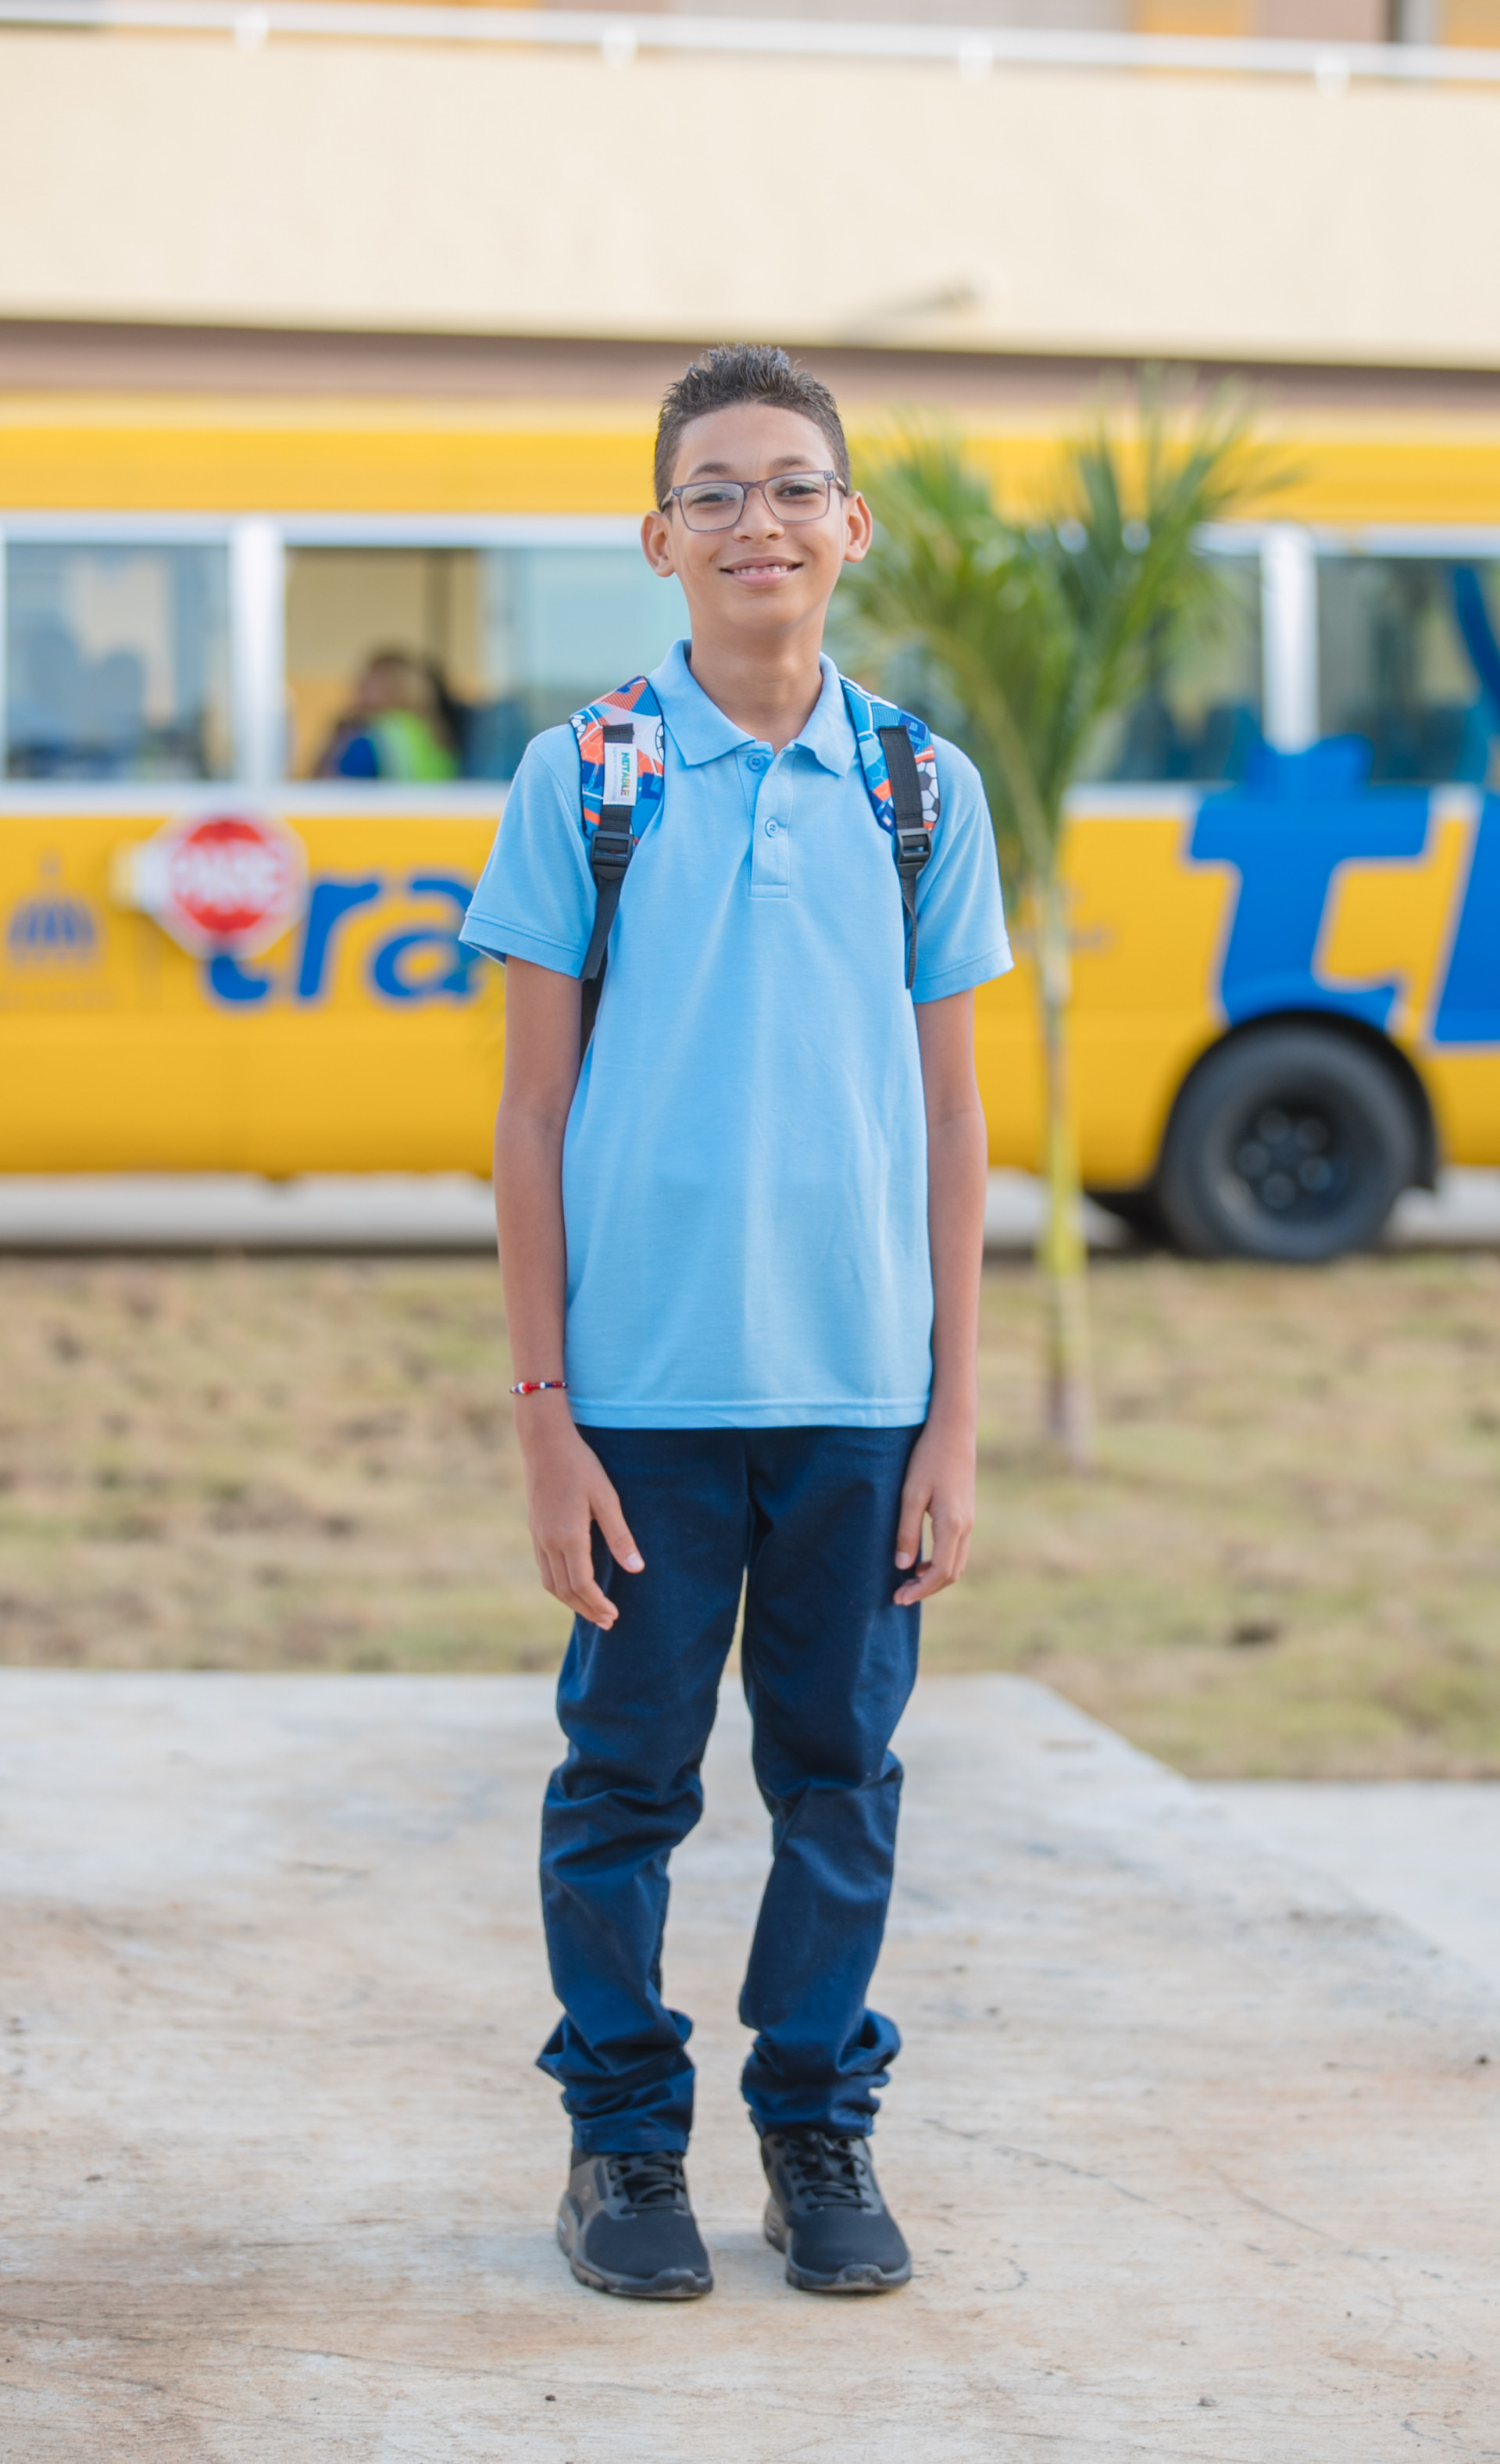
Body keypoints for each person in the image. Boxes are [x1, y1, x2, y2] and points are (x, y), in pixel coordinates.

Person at [460, 345, 1009, 2303]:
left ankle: (814, 2121)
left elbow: (953, 1119)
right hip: (640, 1401)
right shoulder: (585, 776)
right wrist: (545, 1410)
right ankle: (621, 2141)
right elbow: (531, 1116)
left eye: (791, 486)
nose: (755, 519)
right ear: (658, 537)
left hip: (862, 1396)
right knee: (624, 1781)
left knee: (839, 1779)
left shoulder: (918, 786)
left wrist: (955, 1413)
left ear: (850, 525)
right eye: (714, 490)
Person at [315, 648, 459, 781]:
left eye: (367, 681)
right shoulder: (435, 731)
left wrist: (337, 741)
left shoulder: (373, 736)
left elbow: (331, 787)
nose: (359, 687)